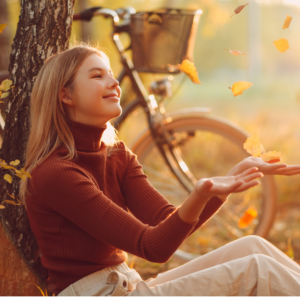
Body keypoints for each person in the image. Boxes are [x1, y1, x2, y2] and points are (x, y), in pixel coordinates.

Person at [20, 44, 300, 296]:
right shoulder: (56, 173)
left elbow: (167, 222)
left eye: (111, 74)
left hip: (129, 285)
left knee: (253, 247)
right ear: (65, 95)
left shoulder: (118, 156)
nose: (114, 82)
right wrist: (201, 193)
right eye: (97, 76)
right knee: (258, 269)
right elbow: (152, 246)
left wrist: (223, 184)